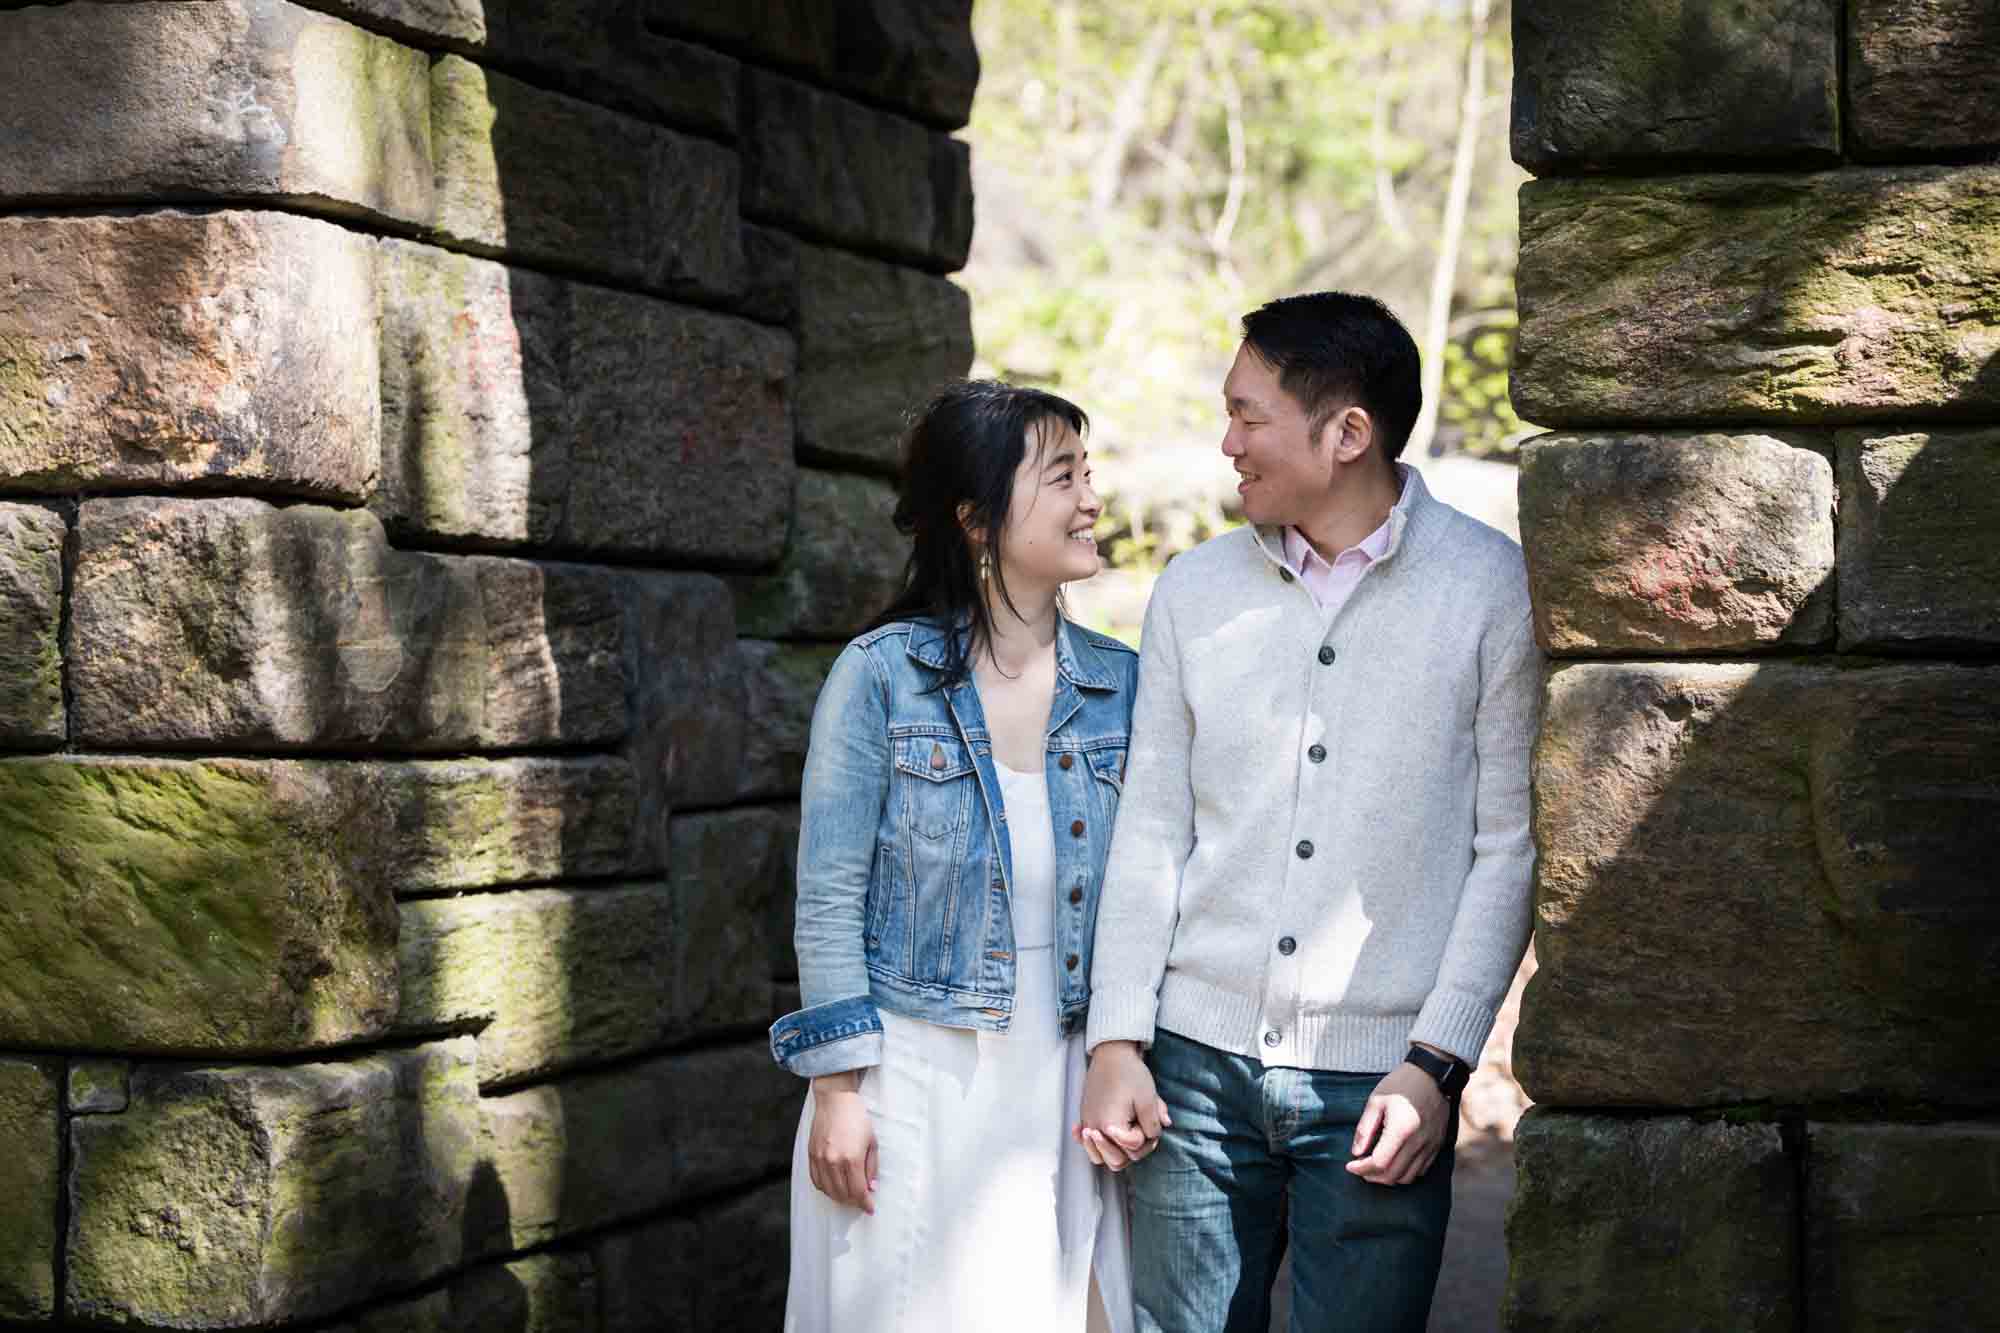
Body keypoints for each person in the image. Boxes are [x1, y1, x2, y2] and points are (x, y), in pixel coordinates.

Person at [1076, 292, 1539, 1333]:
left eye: (1247, 415)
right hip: (1190, 1077)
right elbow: (1152, 825)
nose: (1225, 443)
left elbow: (1506, 850)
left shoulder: (1487, 590)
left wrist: (1435, 1064)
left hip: (1380, 1085)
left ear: (1346, 433)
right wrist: (1116, 1039)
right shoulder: (1193, 592)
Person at [774, 380, 1140, 1333]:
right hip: (913, 1077)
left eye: (1088, 472)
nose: (1092, 499)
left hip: (1064, 1076)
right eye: (1063, 475)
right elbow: (827, 897)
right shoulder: (882, 678)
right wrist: (838, 1090)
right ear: (976, 518)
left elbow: (1152, 889)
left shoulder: (1122, 687)